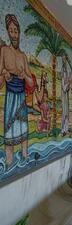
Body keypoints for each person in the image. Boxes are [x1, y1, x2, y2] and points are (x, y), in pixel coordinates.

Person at [0, 14, 34, 168]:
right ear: (8, 32)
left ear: (19, 32)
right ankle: (9, 163)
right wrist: (4, 75)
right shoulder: (4, 51)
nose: (14, 34)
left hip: (20, 96)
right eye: (11, 31)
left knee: (23, 128)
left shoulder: (23, 56)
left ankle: (25, 158)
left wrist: (24, 75)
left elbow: (31, 82)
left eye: (16, 31)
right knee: (9, 130)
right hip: (10, 96)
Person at [61, 55, 71, 136]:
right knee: (64, 112)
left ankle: (66, 129)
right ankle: (63, 130)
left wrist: (69, 84)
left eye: (65, 59)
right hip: (63, 95)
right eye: (63, 59)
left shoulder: (66, 71)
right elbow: (64, 87)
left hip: (66, 96)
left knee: (67, 112)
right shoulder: (63, 71)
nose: (64, 61)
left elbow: (67, 87)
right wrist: (68, 83)